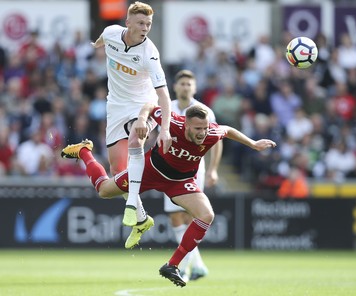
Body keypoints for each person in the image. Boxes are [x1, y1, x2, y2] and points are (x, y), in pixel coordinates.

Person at [61, 103, 276, 287]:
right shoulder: (173, 122)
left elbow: (227, 130)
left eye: (204, 127)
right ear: (186, 123)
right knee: (104, 191)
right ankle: (84, 151)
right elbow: (149, 107)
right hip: (150, 170)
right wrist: (142, 121)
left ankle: (172, 265)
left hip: (181, 182)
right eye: (197, 128)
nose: (202, 133)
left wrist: (253, 144)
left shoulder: (211, 132)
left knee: (206, 215)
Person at [91, 1, 172, 230]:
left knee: (137, 138)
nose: (145, 28)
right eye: (140, 23)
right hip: (116, 106)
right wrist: (96, 44)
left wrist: (164, 129)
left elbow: (164, 96)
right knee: (117, 170)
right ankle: (143, 218)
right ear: (128, 23)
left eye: (148, 23)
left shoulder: (150, 53)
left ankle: (130, 208)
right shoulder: (111, 33)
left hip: (143, 104)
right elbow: (102, 39)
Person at [163, 69, 223, 282]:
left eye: (189, 84)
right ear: (175, 87)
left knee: (191, 217)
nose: (185, 87)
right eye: (182, 84)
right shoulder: (167, 106)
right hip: (170, 168)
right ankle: (198, 265)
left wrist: (214, 169)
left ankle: (185, 268)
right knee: (175, 217)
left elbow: (217, 139)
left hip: (193, 168)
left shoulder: (204, 110)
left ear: (194, 88)